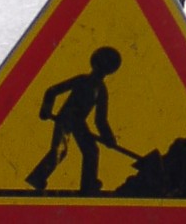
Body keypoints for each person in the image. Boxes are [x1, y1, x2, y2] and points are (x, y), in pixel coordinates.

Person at [26, 46, 121, 194]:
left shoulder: (101, 90)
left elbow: (100, 119)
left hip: (78, 122)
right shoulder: (83, 80)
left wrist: (109, 138)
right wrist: (46, 110)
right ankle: (37, 177)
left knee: (91, 151)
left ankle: (88, 185)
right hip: (66, 117)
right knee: (60, 151)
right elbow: (52, 91)